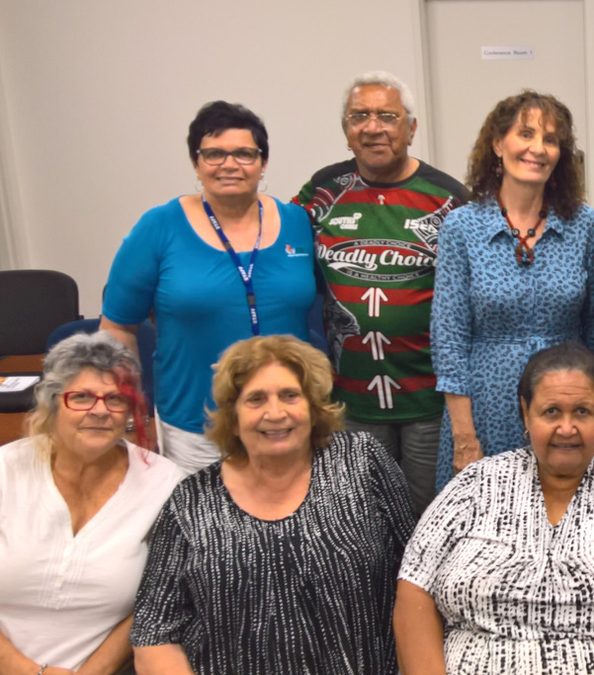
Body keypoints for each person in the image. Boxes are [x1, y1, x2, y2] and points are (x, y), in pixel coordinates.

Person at [395, 342, 594, 674]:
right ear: (525, 412)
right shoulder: (475, 484)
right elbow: (415, 586)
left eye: (582, 411)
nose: (566, 428)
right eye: (551, 412)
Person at [129, 335, 415, 675]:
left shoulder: (361, 461)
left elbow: (415, 580)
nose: (275, 413)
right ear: (232, 417)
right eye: (256, 400)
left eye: (290, 396)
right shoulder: (191, 500)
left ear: (313, 405)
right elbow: (153, 631)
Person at [102, 101, 317, 474]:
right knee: (206, 530)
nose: (229, 165)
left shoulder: (297, 222)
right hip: (196, 428)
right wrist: (131, 415)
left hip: (286, 420)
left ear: (263, 163)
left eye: (244, 154)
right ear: (195, 162)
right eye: (214, 154)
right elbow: (118, 327)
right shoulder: (159, 227)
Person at [294, 71, 468, 515]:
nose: (373, 127)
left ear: (411, 128)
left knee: (429, 518)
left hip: (429, 397)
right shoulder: (323, 191)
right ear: (346, 131)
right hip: (349, 401)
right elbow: (277, 248)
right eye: (359, 116)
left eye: (387, 116)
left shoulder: (448, 198)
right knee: (360, 522)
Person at [430, 90, 594, 490]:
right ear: (497, 144)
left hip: (567, 409)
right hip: (487, 409)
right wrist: (464, 435)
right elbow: (449, 338)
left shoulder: (583, 224)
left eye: (550, 139)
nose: (537, 149)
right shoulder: (462, 227)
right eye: (525, 134)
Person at [0, 333, 185, 675]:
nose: (100, 410)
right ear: (52, 403)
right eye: (81, 397)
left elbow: (156, 606)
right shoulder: (5, 471)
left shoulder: (166, 485)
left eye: (114, 399)